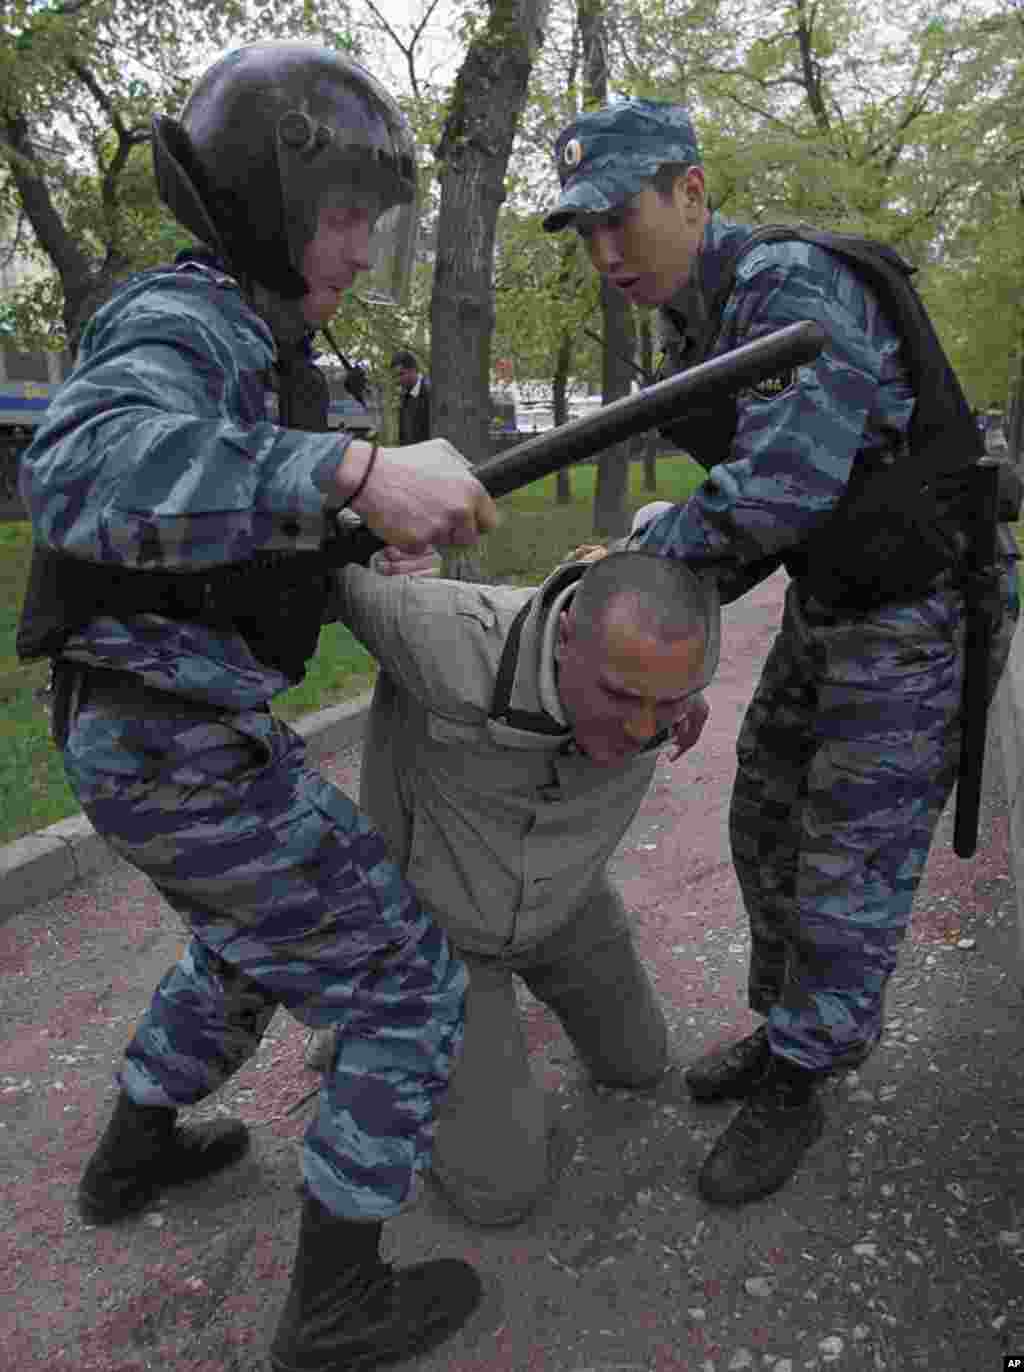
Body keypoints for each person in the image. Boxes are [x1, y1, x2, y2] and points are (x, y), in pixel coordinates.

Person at [15, 41, 500, 1372]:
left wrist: (351, 545)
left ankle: (132, 1151)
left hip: (157, 731)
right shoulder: (185, 316)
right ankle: (334, 1304)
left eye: (370, 218)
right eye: (341, 213)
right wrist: (351, 469)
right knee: (403, 984)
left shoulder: (255, 338)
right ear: (262, 197)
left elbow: (215, 538)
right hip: (172, 739)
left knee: (247, 947)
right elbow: (80, 470)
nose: (360, 246)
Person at [541, 98, 1020, 1208]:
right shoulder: (698, 315)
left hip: (920, 608)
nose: (605, 253)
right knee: (765, 809)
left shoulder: (788, 286)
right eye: (585, 231)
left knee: (849, 856)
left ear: (691, 191)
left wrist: (642, 560)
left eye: (620, 218)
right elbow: (774, 513)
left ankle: (805, 1075)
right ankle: (788, 1028)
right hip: (838, 591)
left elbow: (779, 489)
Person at [304, 548, 716, 1226]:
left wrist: (682, 695)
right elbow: (322, 570)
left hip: (565, 900)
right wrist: (385, 532)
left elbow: (704, 538)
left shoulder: (672, 663)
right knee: (501, 1193)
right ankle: (371, 1027)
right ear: (565, 641)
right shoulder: (443, 635)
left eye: (667, 702)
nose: (644, 729)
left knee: (641, 1065)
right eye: (620, 695)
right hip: (446, 930)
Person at [391, 348, 432, 444]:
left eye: (401, 374)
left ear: (413, 370)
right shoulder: (404, 397)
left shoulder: (430, 394)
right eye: (395, 376)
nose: (398, 380)